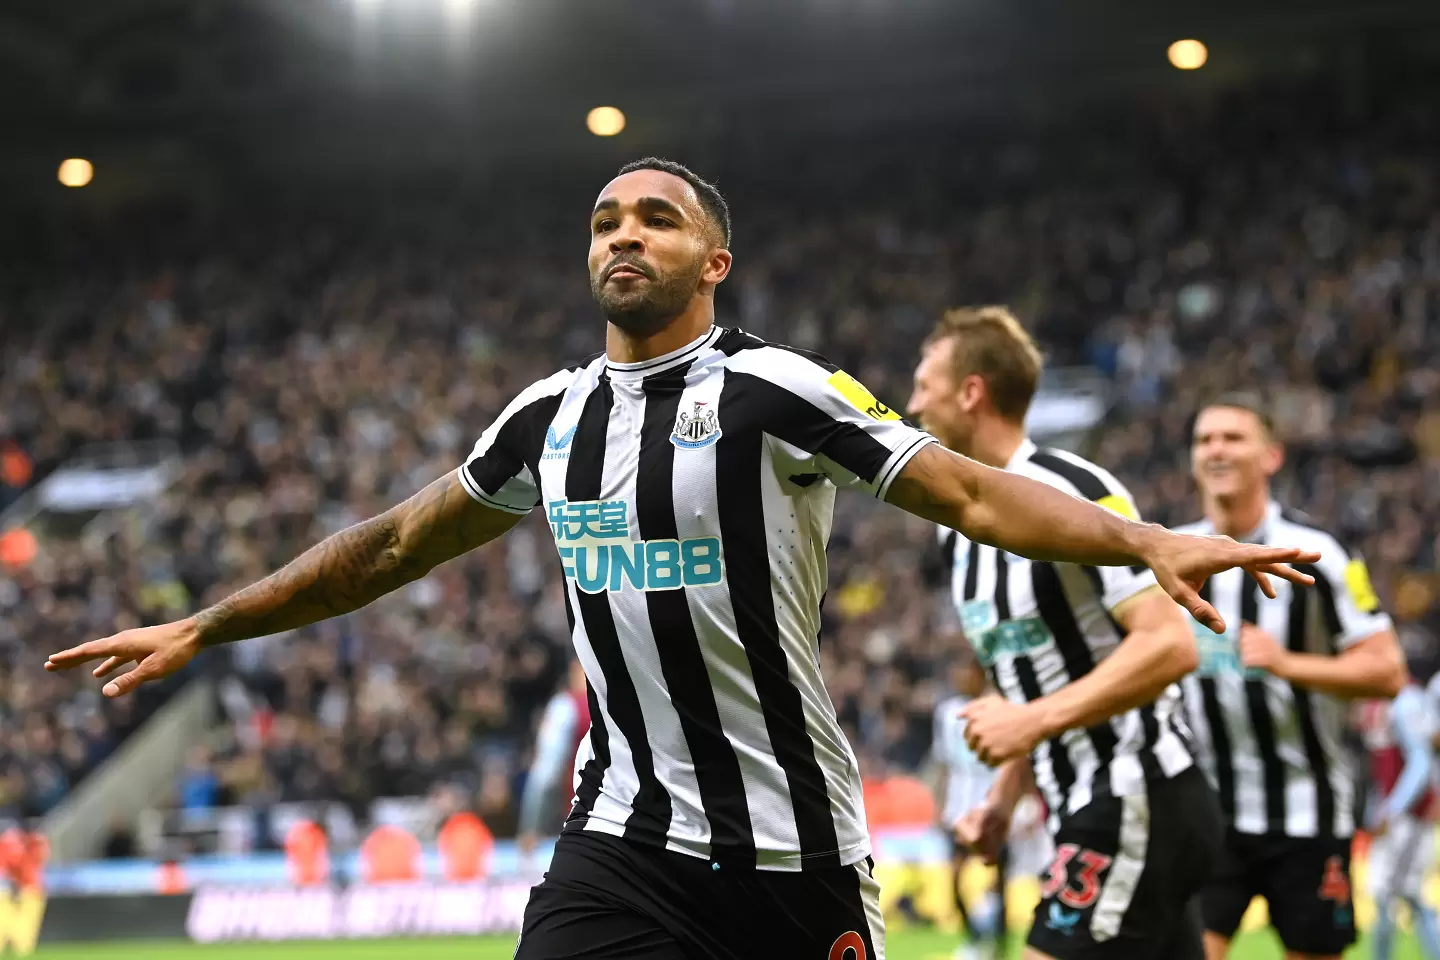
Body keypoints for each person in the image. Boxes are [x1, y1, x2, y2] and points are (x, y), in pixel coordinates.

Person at [48, 160, 1320, 960]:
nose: (625, 234)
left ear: (713, 263)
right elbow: (387, 544)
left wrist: (1144, 537)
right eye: (606, 220)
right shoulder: (546, 418)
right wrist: (206, 626)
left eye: (657, 219)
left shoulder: (778, 390)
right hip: (620, 839)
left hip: (792, 850)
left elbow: (971, 491)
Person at [906, 305, 1227, 960]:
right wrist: (1002, 801)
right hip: (1085, 802)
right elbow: (1030, 680)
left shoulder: (1075, 490)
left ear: (971, 393)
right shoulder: (956, 535)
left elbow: (1169, 645)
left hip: (1136, 792)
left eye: (923, 386)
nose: (911, 406)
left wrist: (1031, 722)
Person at [1174, 394, 1406, 960]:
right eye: (1205, 439)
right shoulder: (1172, 554)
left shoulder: (1319, 553)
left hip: (1307, 812)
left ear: (1272, 456)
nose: (1216, 450)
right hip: (1210, 812)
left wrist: (1287, 663)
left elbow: (1388, 671)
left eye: (1233, 437)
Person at [932, 657, 1007, 960]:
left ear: (981, 674)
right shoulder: (946, 712)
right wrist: (939, 805)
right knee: (954, 878)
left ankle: (998, 943)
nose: (960, 677)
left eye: (966, 671)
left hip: (993, 804)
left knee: (999, 878)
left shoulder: (998, 707)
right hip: (958, 810)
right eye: (957, 671)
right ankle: (974, 936)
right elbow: (943, 762)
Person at [1362, 676, 1440, 960]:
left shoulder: (1408, 702)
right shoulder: (1380, 700)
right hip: (1393, 815)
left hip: (1410, 818)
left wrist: (1392, 810)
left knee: (1403, 895)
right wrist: (1375, 810)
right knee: (1392, 896)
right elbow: (1382, 769)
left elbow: (1421, 762)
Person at [517, 659, 591, 861]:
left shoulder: (566, 706)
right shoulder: (628, 704)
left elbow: (545, 776)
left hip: (582, 822)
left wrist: (531, 828)